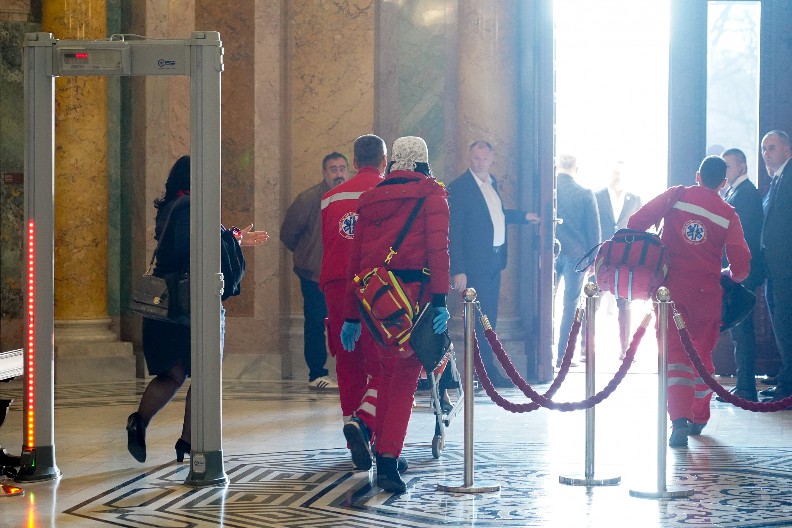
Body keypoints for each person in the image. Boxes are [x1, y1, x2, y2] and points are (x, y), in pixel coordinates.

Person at [127, 155, 269, 463]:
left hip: (167, 306)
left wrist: (234, 238)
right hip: (189, 304)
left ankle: (139, 421)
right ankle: (188, 442)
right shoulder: (192, 207)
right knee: (203, 376)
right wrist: (230, 240)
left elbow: (196, 242)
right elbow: (193, 249)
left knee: (172, 375)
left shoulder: (171, 207)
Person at [340, 136, 450, 493]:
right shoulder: (433, 194)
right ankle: (388, 459)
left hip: (375, 303)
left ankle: (383, 447)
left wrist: (351, 316)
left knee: (386, 375)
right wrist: (441, 301)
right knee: (403, 379)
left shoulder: (368, 198)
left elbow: (355, 263)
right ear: (423, 161)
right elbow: (438, 252)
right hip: (414, 301)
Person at [627, 155, 750, 447]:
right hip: (708, 296)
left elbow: (635, 222)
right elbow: (741, 269)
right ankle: (699, 416)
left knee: (675, 357)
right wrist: (726, 272)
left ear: (698, 176)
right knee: (702, 357)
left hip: (670, 293)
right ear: (722, 183)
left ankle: (679, 420)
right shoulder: (728, 213)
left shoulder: (676, 195)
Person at [447, 140, 539, 387]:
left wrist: (522, 217)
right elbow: (453, 232)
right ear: (469, 158)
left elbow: (494, 215)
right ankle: (482, 372)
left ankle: (487, 369)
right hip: (473, 267)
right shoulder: (459, 188)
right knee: (478, 321)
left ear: (492, 159)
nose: (480, 162)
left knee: (489, 319)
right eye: (476, 158)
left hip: (493, 262)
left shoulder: (491, 182)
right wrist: (458, 270)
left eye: (484, 158)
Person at [320, 135, 387, 470]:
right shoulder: (388, 190)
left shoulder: (329, 197)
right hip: (375, 283)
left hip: (335, 283)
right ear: (383, 160)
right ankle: (366, 424)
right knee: (381, 362)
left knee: (347, 362)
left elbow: (328, 241)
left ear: (355, 162)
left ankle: (352, 435)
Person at [280, 153, 349, 390]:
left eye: (342, 168)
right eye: (333, 169)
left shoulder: (352, 197)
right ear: (324, 173)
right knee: (315, 323)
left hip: (345, 275)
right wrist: (307, 257)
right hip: (313, 274)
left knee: (347, 322)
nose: (338, 173)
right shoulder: (308, 199)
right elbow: (288, 234)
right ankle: (317, 374)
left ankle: (349, 371)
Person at [717, 148, 764, 402]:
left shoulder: (746, 194)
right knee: (738, 329)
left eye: (728, 165)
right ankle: (742, 384)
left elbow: (743, 237)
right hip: (738, 270)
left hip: (743, 271)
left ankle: (746, 387)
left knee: (741, 328)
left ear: (742, 168)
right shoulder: (736, 191)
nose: (724, 171)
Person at [555, 153, 601, 367]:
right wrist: (593, 260)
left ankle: (543, 355)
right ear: (576, 168)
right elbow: (594, 230)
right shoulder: (584, 193)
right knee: (570, 305)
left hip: (549, 252)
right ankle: (563, 356)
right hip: (577, 254)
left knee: (546, 302)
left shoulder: (548, 189)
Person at [757, 130, 792, 405]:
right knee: (781, 327)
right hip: (774, 271)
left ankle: (788, 389)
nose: (766, 154)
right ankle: (786, 382)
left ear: (787, 150)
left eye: (771, 148)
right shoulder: (777, 180)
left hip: (787, 270)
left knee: (786, 326)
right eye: (763, 149)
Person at [594, 161, 642, 359]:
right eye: (614, 172)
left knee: (624, 303)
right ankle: (585, 347)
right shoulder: (596, 196)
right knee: (593, 301)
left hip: (624, 258)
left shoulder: (635, 199)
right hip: (602, 256)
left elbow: (640, 230)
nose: (618, 176)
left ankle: (625, 349)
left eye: (621, 173)